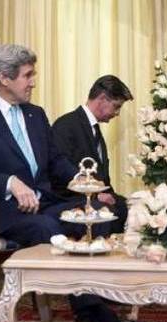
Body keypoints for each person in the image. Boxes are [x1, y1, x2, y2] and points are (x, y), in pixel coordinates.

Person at [0, 44, 161, 322]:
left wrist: (84, 181)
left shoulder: (36, 115)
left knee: (97, 219)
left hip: (43, 205)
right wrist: (9, 182)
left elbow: (56, 162)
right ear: (4, 78)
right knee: (47, 229)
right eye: (27, 75)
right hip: (1, 213)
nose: (33, 81)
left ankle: (87, 321)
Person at [52, 75, 132, 235]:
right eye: (116, 106)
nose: (117, 113)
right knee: (102, 210)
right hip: (72, 199)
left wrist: (106, 194)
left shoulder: (94, 129)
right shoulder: (66, 125)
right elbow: (60, 171)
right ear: (102, 99)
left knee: (131, 207)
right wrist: (94, 194)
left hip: (96, 196)